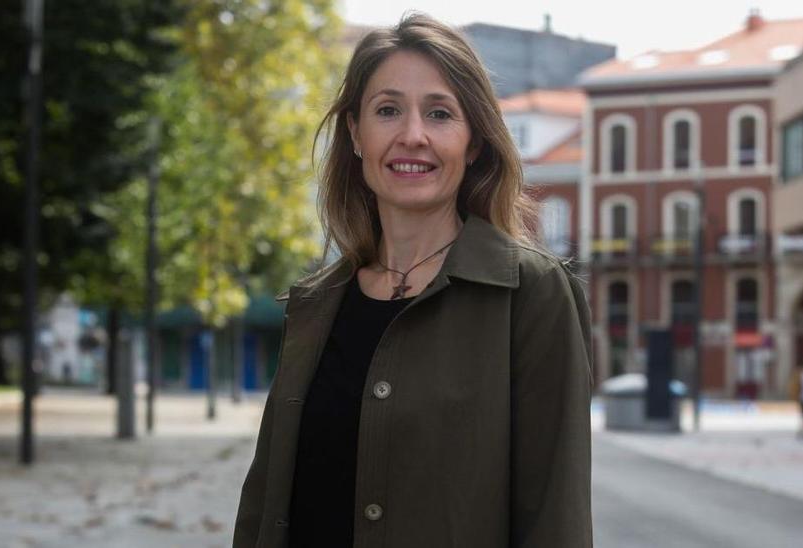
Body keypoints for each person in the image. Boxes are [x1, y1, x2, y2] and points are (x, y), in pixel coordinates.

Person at [232, 13, 593, 548]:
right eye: (388, 110)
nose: (413, 136)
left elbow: (555, 520)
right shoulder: (315, 304)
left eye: (440, 113)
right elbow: (264, 504)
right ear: (355, 133)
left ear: (473, 142)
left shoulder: (530, 294)